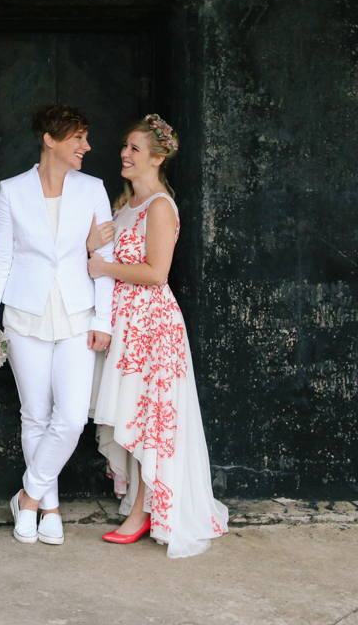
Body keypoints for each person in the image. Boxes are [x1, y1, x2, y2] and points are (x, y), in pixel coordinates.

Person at [86, 114, 228, 558]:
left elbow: (156, 272)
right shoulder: (124, 203)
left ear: (157, 157)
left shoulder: (160, 207)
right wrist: (94, 248)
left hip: (152, 326)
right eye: (125, 147)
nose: (125, 155)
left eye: (135, 149)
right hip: (126, 325)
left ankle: (146, 512)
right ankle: (139, 505)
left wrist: (103, 266)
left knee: (152, 420)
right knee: (134, 413)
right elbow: (100, 253)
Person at [0, 103, 117, 546]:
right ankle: (51, 506)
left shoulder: (93, 188)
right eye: (78, 138)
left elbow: (105, 258)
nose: (86, 146)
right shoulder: (12, 190)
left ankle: (28, 497)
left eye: (85, 137)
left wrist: (103, 318)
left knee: (72, 418)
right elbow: (0, 257)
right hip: (23, 315)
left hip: (79, 315)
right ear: (51, 140)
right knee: (35, 415)